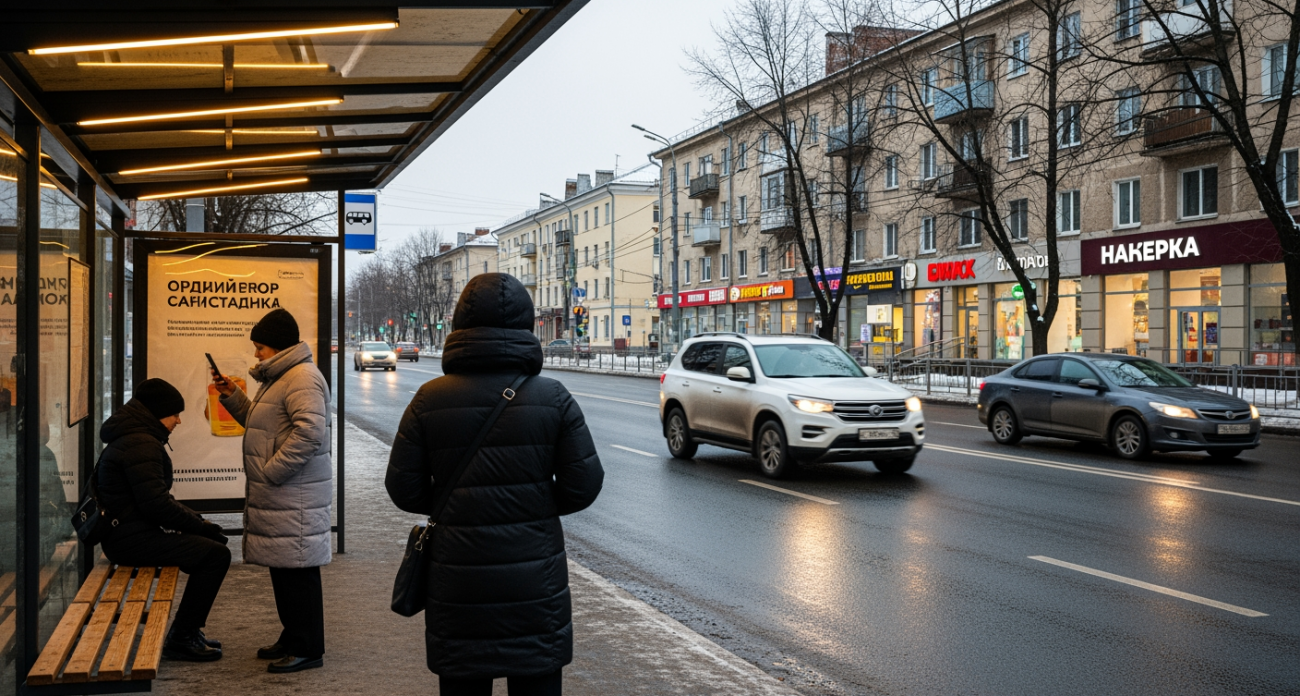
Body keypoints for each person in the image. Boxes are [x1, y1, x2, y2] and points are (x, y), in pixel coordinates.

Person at [386, 273, 604, 696]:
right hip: (534, 579)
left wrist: (458, 507)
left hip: (458, 578)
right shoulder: (554, 397)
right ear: (526, 326)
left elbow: (403, 488)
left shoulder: (429, 398)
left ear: (459, 326)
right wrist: (533, 504)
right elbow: (584, 483)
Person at [211, 308, 332, 674]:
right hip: (283, 494)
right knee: (285, 571)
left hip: (292, 494)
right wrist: (233, 396)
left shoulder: (301, 378)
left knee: (298, 573)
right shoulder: (281, 377)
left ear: (278, 347)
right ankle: (293, 636)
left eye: (260, 347)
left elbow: (310, 433)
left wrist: (272, 471)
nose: (256, 354)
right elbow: (264, 426)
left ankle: (308, 648)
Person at [97, 378, 231, 662]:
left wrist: (198, 524)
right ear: (157, 413)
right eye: (175, 414)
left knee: (207, 549)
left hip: (126, 533)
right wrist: (201, 526)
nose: (178, 421)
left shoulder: (135, 436)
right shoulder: (140, 444)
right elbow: (157, 505)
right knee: (216, 555)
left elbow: (156, 502)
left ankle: (187, 631)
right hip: (129, 540)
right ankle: (182, 636)